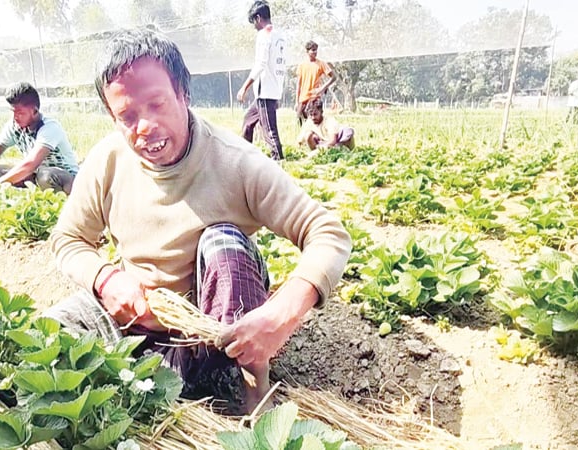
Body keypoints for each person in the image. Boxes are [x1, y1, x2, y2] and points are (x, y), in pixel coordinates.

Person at [46, 28, 351, 414]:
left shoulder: (235, 162)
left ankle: (247, 391)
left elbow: (328, 234)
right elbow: (68, 239)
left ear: (183, 95)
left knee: (222, 241)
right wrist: (106, 280)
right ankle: (157, 378)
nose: (144, 128)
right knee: (39, 342)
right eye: (127, 116)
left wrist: (280, 316)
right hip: (136, 322)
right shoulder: (107, 160)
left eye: (157, 104)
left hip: (212, 334)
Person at [0, 82, 78, 194]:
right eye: (13, 112)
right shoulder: (15, 126)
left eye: (20, 113)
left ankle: (60, 197)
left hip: (65, 178)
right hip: (36, 174)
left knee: (45, 176)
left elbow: (30, 164)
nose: (15, 117)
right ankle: (32, 190)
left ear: (35, 111)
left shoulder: (49, 128)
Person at [236, 1, 287, 161]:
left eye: (253, 22)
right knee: (248, 122)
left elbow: (261, 64)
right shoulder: (280, 35)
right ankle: (246, 158)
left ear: (258, 18)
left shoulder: (264, 34)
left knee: (270, 132)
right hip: (272, 90)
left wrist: (244, 87)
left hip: (265, 91)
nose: (254, 26)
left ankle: (279, 163)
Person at [295, 40, 336, 126]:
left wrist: (322, 88)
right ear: (307, 51)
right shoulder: (302, 65)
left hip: (314, 98)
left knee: (315, 123)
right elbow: (298, 84)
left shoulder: (321, 64)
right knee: (299, 122)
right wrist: (297, 101)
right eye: (313, 50)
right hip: (303, 98)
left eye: (316, 50)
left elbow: (333, 77)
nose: (315, 52)